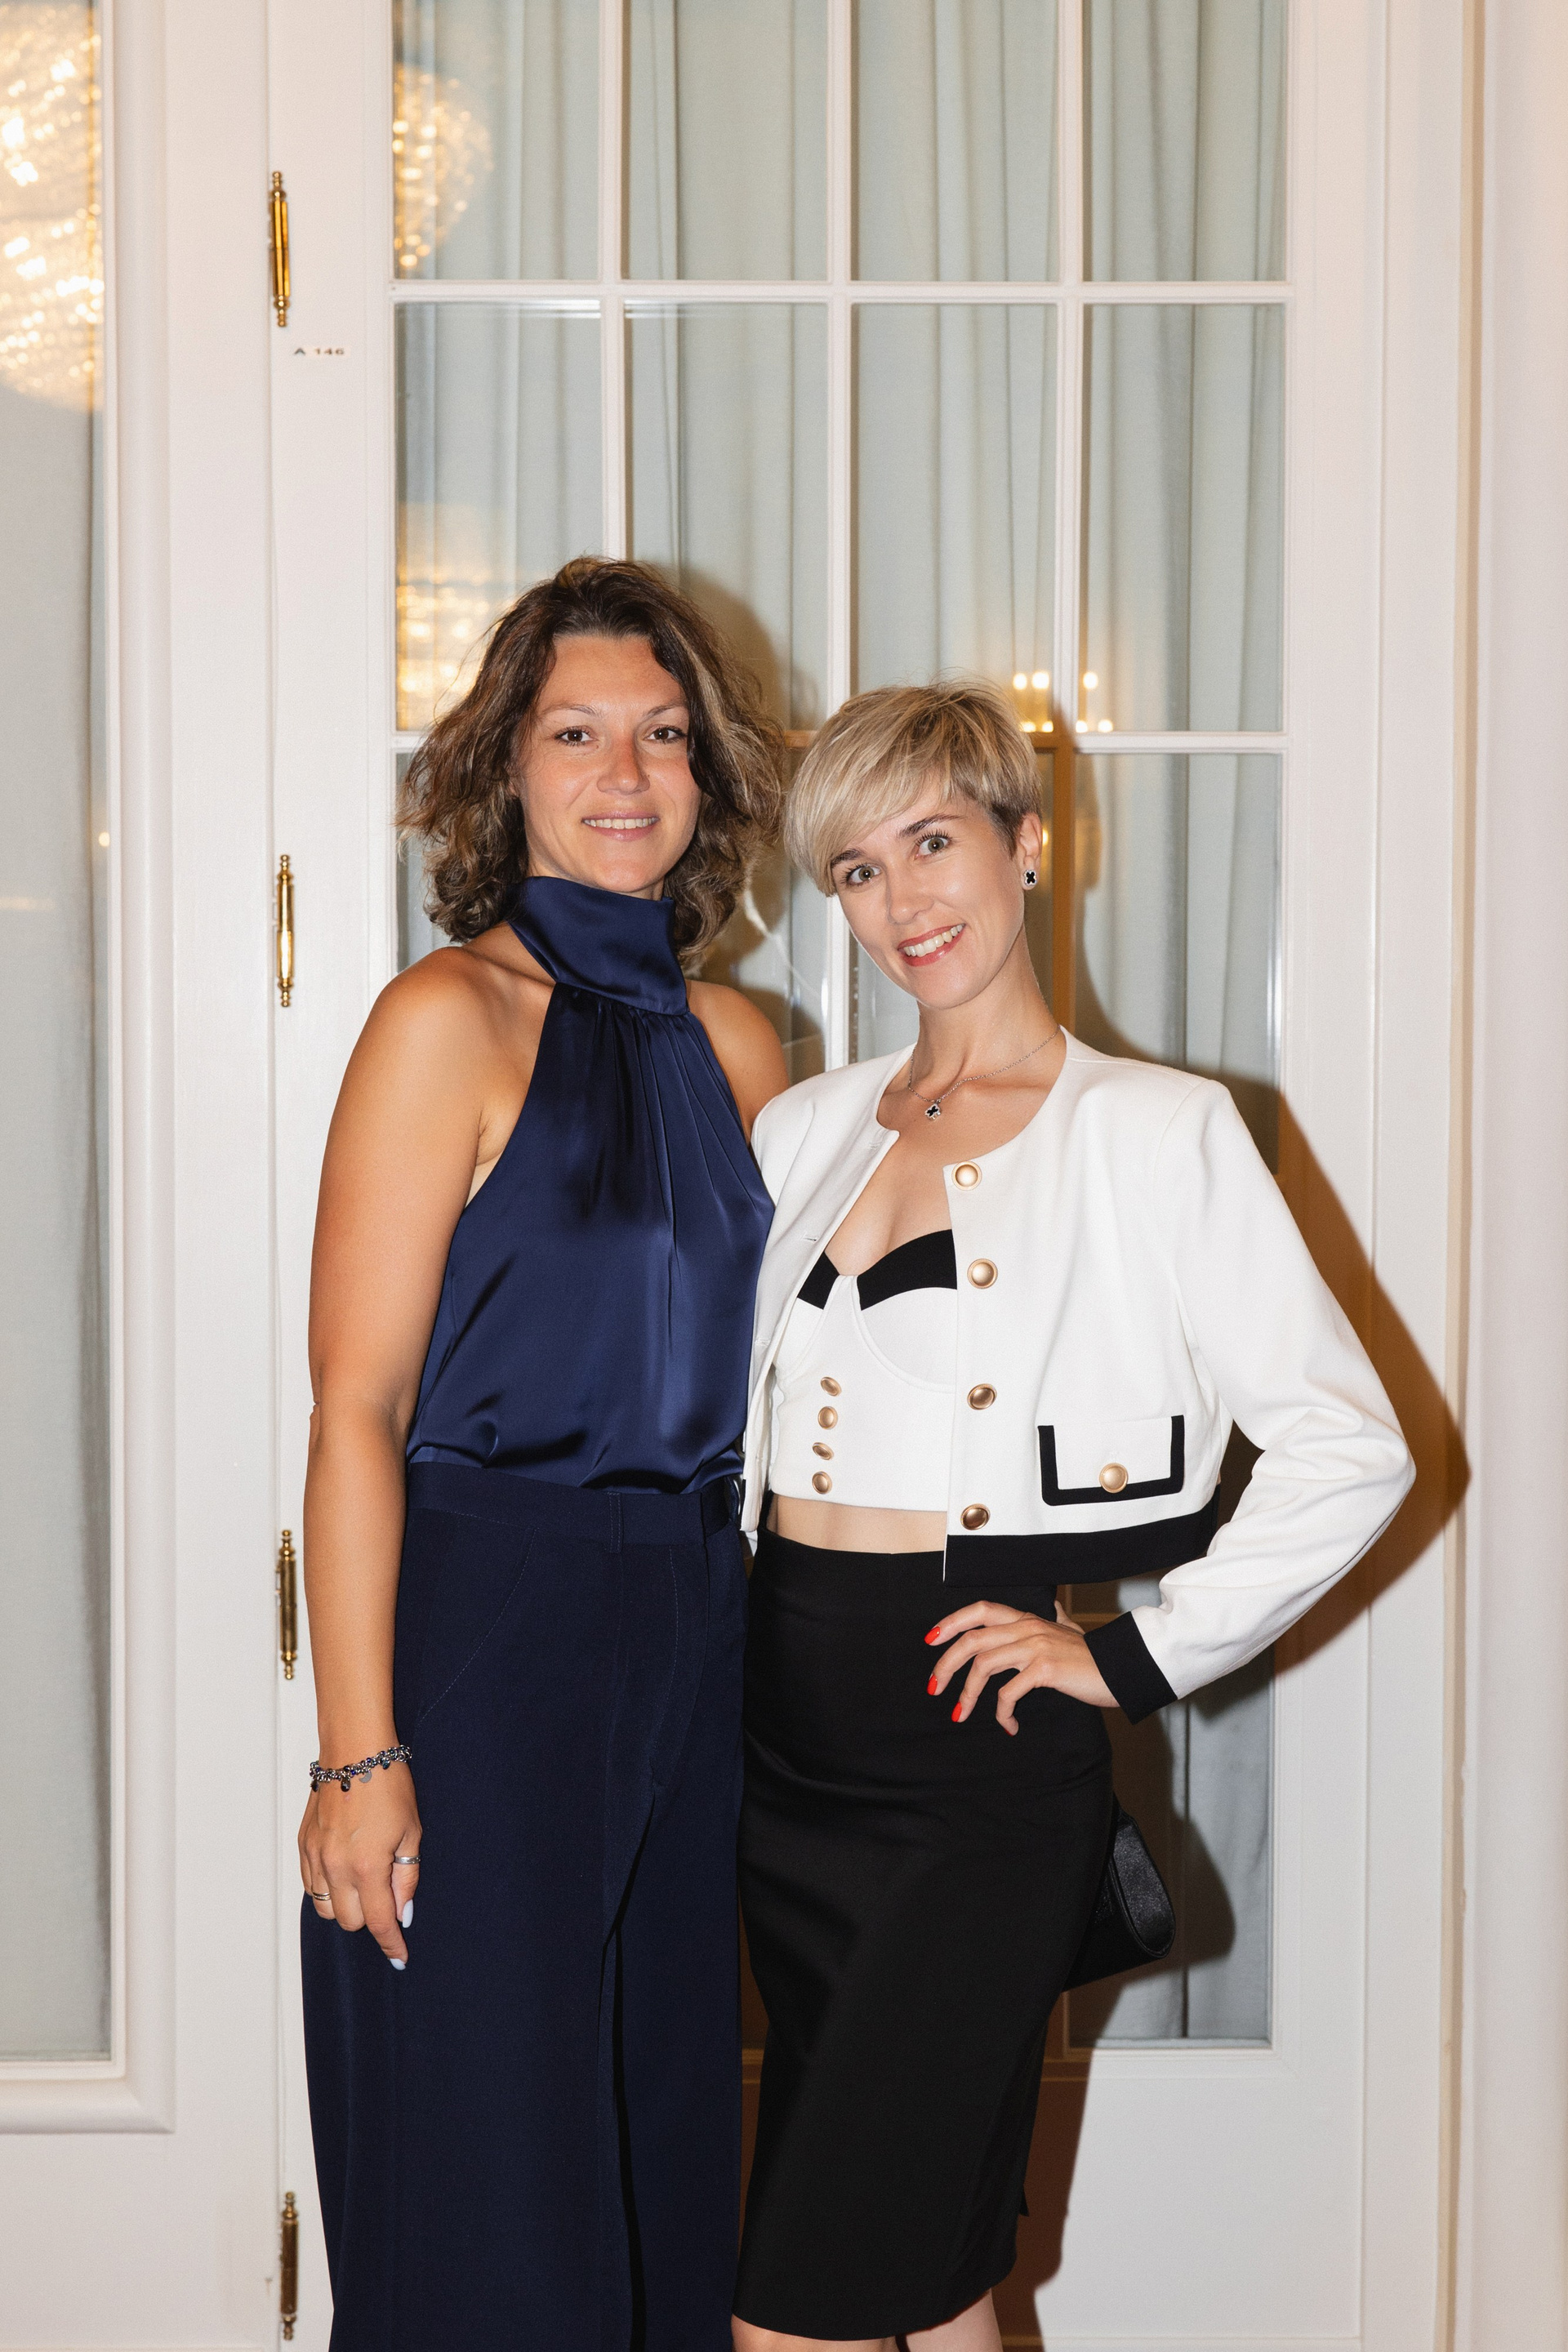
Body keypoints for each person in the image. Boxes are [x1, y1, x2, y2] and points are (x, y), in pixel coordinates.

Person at [731, 680, 1414, 2352]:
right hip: (786, 1744)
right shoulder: (803, 1128)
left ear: (1029, 846)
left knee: (793, 2304)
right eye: (858, 870)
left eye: (934, 842)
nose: (903, 901)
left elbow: (1349, 1445)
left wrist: (1133, 1658)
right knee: (937, 2263)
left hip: (969, 1754)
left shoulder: (1157, 1134)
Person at [296, 558, 787, 2350]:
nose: (625, 775)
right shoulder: (444, 1019)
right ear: (505, 766)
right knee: (489, 2180)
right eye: (576, 734)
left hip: (698, 1633)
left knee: (660, 2154)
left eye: (662, 735)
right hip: (492, 1632)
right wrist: (360, 1754)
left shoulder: (744, 1046)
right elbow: (355, 1409)